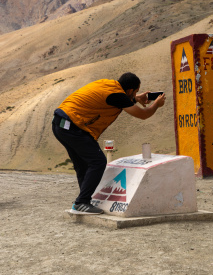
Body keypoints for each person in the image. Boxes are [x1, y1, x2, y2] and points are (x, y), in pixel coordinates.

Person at [52, 72, 166, 215]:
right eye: (135, 91)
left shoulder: (109, 85)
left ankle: (84, 202)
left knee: (83, 165)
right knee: (98, 162)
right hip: (73, 126)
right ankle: (82, 202)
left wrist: (136, 98)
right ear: (130, 90)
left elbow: (120, 99)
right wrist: (156, 104)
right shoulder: (117, 96)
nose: (135, 94)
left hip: (60, 124)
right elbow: (143, 114)